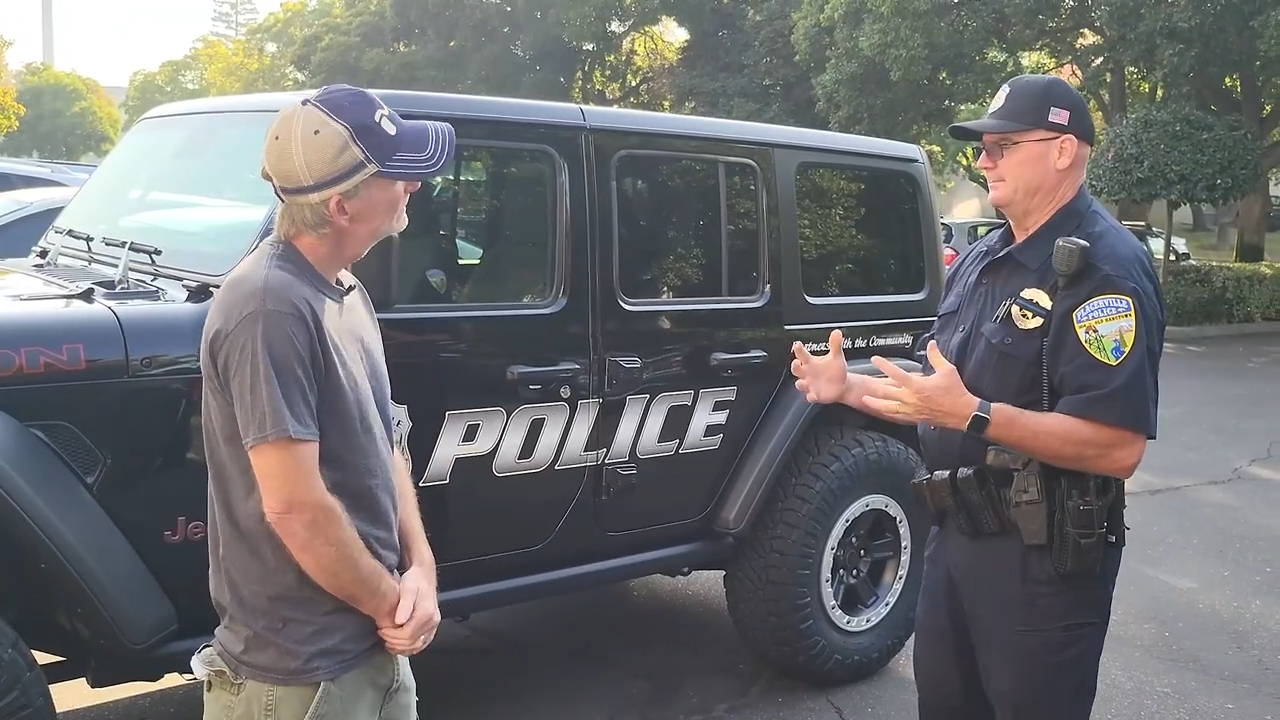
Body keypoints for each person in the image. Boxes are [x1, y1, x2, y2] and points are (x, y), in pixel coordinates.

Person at [790, 73, 1165, 720]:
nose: (983, 160)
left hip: (1040, 564)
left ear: (1062, 150)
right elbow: (933, 397)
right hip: (953, 539)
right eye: (981, 148)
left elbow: (1117, 446)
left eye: (1002, 145)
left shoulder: (1105, 271)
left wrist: (974, 415)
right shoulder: (987, 258)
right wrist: (848, 387)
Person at [193, 84, 457, 720]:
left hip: (372, 647)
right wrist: (391, 603)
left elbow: (385, 438)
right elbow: (296, 508)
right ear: (342, 207)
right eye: (397, 176)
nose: (413, 187)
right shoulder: (267, 307)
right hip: (300, 680)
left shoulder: (344, 290)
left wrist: (420, 571)